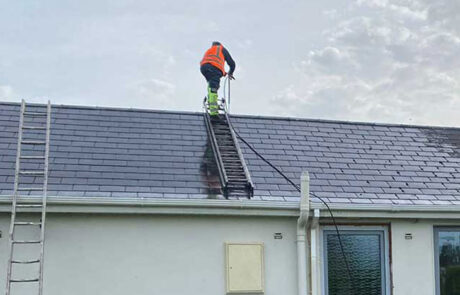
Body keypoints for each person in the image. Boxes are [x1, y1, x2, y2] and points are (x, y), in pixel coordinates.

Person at [200, 41, 235, 115]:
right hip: (214, 68)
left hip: (204, 68)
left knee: (211, 85)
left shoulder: (210, 50)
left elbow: (212, 62)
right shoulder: (221, 49)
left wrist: (224, 73)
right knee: (214, 88)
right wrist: (230, 73)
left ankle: (211, 102)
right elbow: (232, 64)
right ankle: (214, 112)